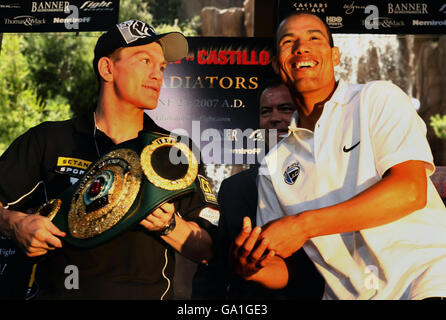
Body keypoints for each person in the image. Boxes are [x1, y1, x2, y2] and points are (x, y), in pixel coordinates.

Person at [232, 12, 446, 300]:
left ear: (335, 56)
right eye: (288, 41)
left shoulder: (377, 99)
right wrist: (253, 266)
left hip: (424, 286)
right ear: (277, 64)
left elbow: (410, 191)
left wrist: (302, 224)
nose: (301, 47)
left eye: (314, 38)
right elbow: (284, 268)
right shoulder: (274, 164)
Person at [0, 20, 219, 300]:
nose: (158, 75)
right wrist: (15, 223)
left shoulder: (175, 152)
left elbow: (209, 249)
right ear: (107, 68)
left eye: (162, 66)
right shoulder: (49, 140)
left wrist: (169, 225)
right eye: (145, 60)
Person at [192, 75, 324, 299]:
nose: (274, 118)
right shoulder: (234, 188)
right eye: (266, 112)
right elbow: (217, 265)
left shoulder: (331, 178)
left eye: (285, 108)